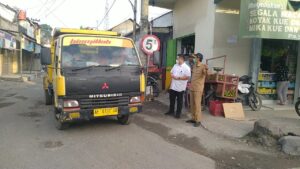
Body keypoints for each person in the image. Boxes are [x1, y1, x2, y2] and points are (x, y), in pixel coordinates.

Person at [165, 54, 191, 118]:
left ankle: (178, 113)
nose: (177, 59)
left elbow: (187, 77)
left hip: (180, 87)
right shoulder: (175, 65)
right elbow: (171, 72)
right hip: (173, 86)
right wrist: (172, 75)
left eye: (178, 58)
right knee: (172, 99)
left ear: (182, 59)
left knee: (179, 101)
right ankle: (171, 111)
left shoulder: (186, 68)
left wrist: (179, 78)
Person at [186, 53, 208, 127]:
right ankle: (193, 118)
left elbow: (206, 74)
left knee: (197, 104)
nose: (194, 59)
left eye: (195, 58)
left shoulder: (203, 66)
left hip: (198, 89)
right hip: (192, 87)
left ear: (199, 58)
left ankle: (198, 120)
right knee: (192, 104)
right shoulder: (194, 66)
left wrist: (206, 69)